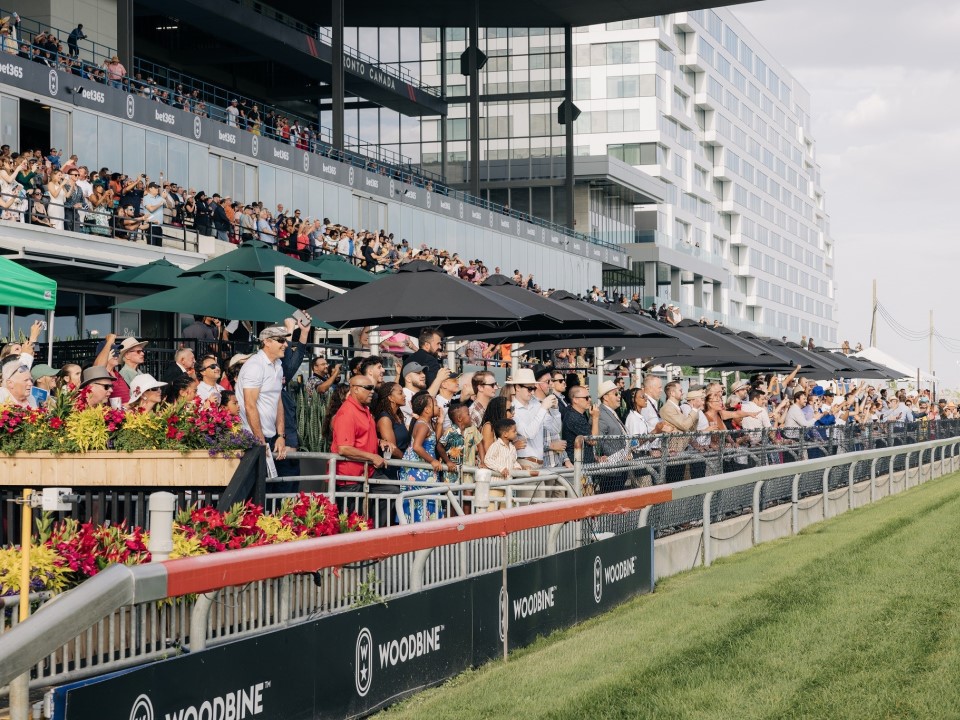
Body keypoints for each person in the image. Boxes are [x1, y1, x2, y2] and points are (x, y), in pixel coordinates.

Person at [236, 326, 289, 462]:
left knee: (271, 482)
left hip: (270, 437)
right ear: (267, 342)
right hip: (252, 437)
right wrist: (260, 441)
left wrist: (281, 435)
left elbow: (278, 400)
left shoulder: (278, 365)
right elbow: (250, 405)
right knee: (255, 483)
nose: (286, 344)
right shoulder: (255, 366)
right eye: (281, 341)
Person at [400, 392, 455, 522]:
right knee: (422, 502)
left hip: (425, 470)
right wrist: (433, 460)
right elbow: (417, 446)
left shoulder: (426, 424)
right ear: (426, 409)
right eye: (435, 404)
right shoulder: (422, 425)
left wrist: (440, 422)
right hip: (419, 471)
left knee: (428, 501)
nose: (439, 407)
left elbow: (433, 442)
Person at [373, 382, 410, 480]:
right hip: (391, 468)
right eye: (400, 393)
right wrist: (408, 460)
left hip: (401, 465)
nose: (404, 395)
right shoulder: (385, 418)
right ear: (390, 398)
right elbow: (391, 448)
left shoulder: (398, 416)